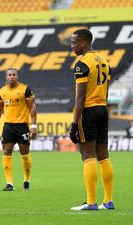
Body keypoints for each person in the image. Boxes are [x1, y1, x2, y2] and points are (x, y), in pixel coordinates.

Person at [69, 29, 114, 210]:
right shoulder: (104, 60)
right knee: (103, 155)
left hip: (87, 110)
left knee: (88, 155)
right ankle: (108, 200)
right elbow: (107, 90)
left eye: (73, 43)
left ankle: (91, 202)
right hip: (102, 108)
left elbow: (80, 98)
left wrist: (74, 123)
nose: (72, 47)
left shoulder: (82, 64)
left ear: (83, 43)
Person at [0, 68, 37, 191]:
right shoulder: (2, 91)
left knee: (25, 154)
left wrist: (33, 126)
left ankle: (26, 179)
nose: (12, 77)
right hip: (8, 126)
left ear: (17, 76)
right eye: (9, 75)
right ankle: (9, 183)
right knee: (6, 152)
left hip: (22, 126)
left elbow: (32, 107)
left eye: (14, 74)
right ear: (6, 77)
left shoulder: (25, 89)